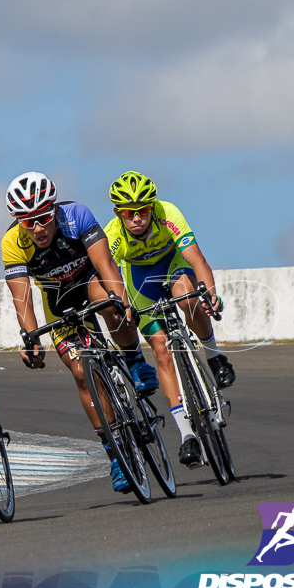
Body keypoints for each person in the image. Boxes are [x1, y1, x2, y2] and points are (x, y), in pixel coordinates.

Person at [0, 171, 159, 494]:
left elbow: (106, 267)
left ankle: (134, 360)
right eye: (27, 222)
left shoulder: (76, 216)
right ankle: (115, 453)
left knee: (109, 302)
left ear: (54, 210)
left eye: (43, 218)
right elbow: (23, 298)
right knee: (80, 373)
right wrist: (30, 338)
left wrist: (124, 303)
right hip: (58, 303)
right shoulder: (12, 243)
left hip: (90, 281)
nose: (38, 228)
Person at [104, 170, 236, 469]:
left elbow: (197, 260)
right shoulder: (112, 234)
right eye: (128, 213)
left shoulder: (169, 214)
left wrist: (210, 296)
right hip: (141, 282)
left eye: (143, 211)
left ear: (153, 208)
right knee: (162, 352)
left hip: (173, 265)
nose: (136, 218)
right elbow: (111, 279)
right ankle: (187, 435)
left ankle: (214, 356)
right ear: (117, 214)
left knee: (189, 299)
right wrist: (124, 308)